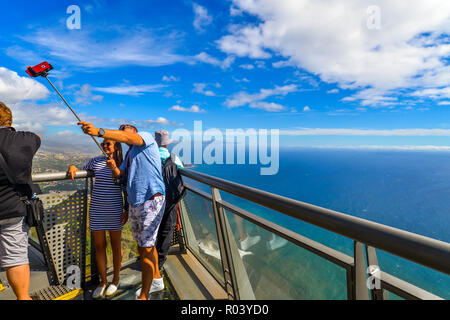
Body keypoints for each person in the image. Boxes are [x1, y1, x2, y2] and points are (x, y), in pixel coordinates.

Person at [78, 122, 166, 300]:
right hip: (136, 202)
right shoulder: (129, 155)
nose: (121, 134)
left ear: (135, 132)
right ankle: (156, 279)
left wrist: (99, 132)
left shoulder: (146, 139)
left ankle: (143, 296)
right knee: (144, 247)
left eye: (124, 131)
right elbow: (120, 175)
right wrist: (113, 169)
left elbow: (126, 137)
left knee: (146, 247)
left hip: (150, 199)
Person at [67, 138, 126, 299]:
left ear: (116, 146)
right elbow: (80, 170)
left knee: (115, 246)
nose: (105, 145)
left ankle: (116, 280)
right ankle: (103, 281)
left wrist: (126, 209)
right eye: (103, 143)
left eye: (108, 143)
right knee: (99, 246)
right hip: (97, 208)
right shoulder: (95, 161)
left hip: (114, 208)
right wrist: (72, 167)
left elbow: (123, 182)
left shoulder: (123, 162)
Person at [0, 102, 41, 300]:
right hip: (13, 208)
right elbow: (38, 138)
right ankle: (23, 297)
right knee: (16, 257)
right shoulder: (24, 139)